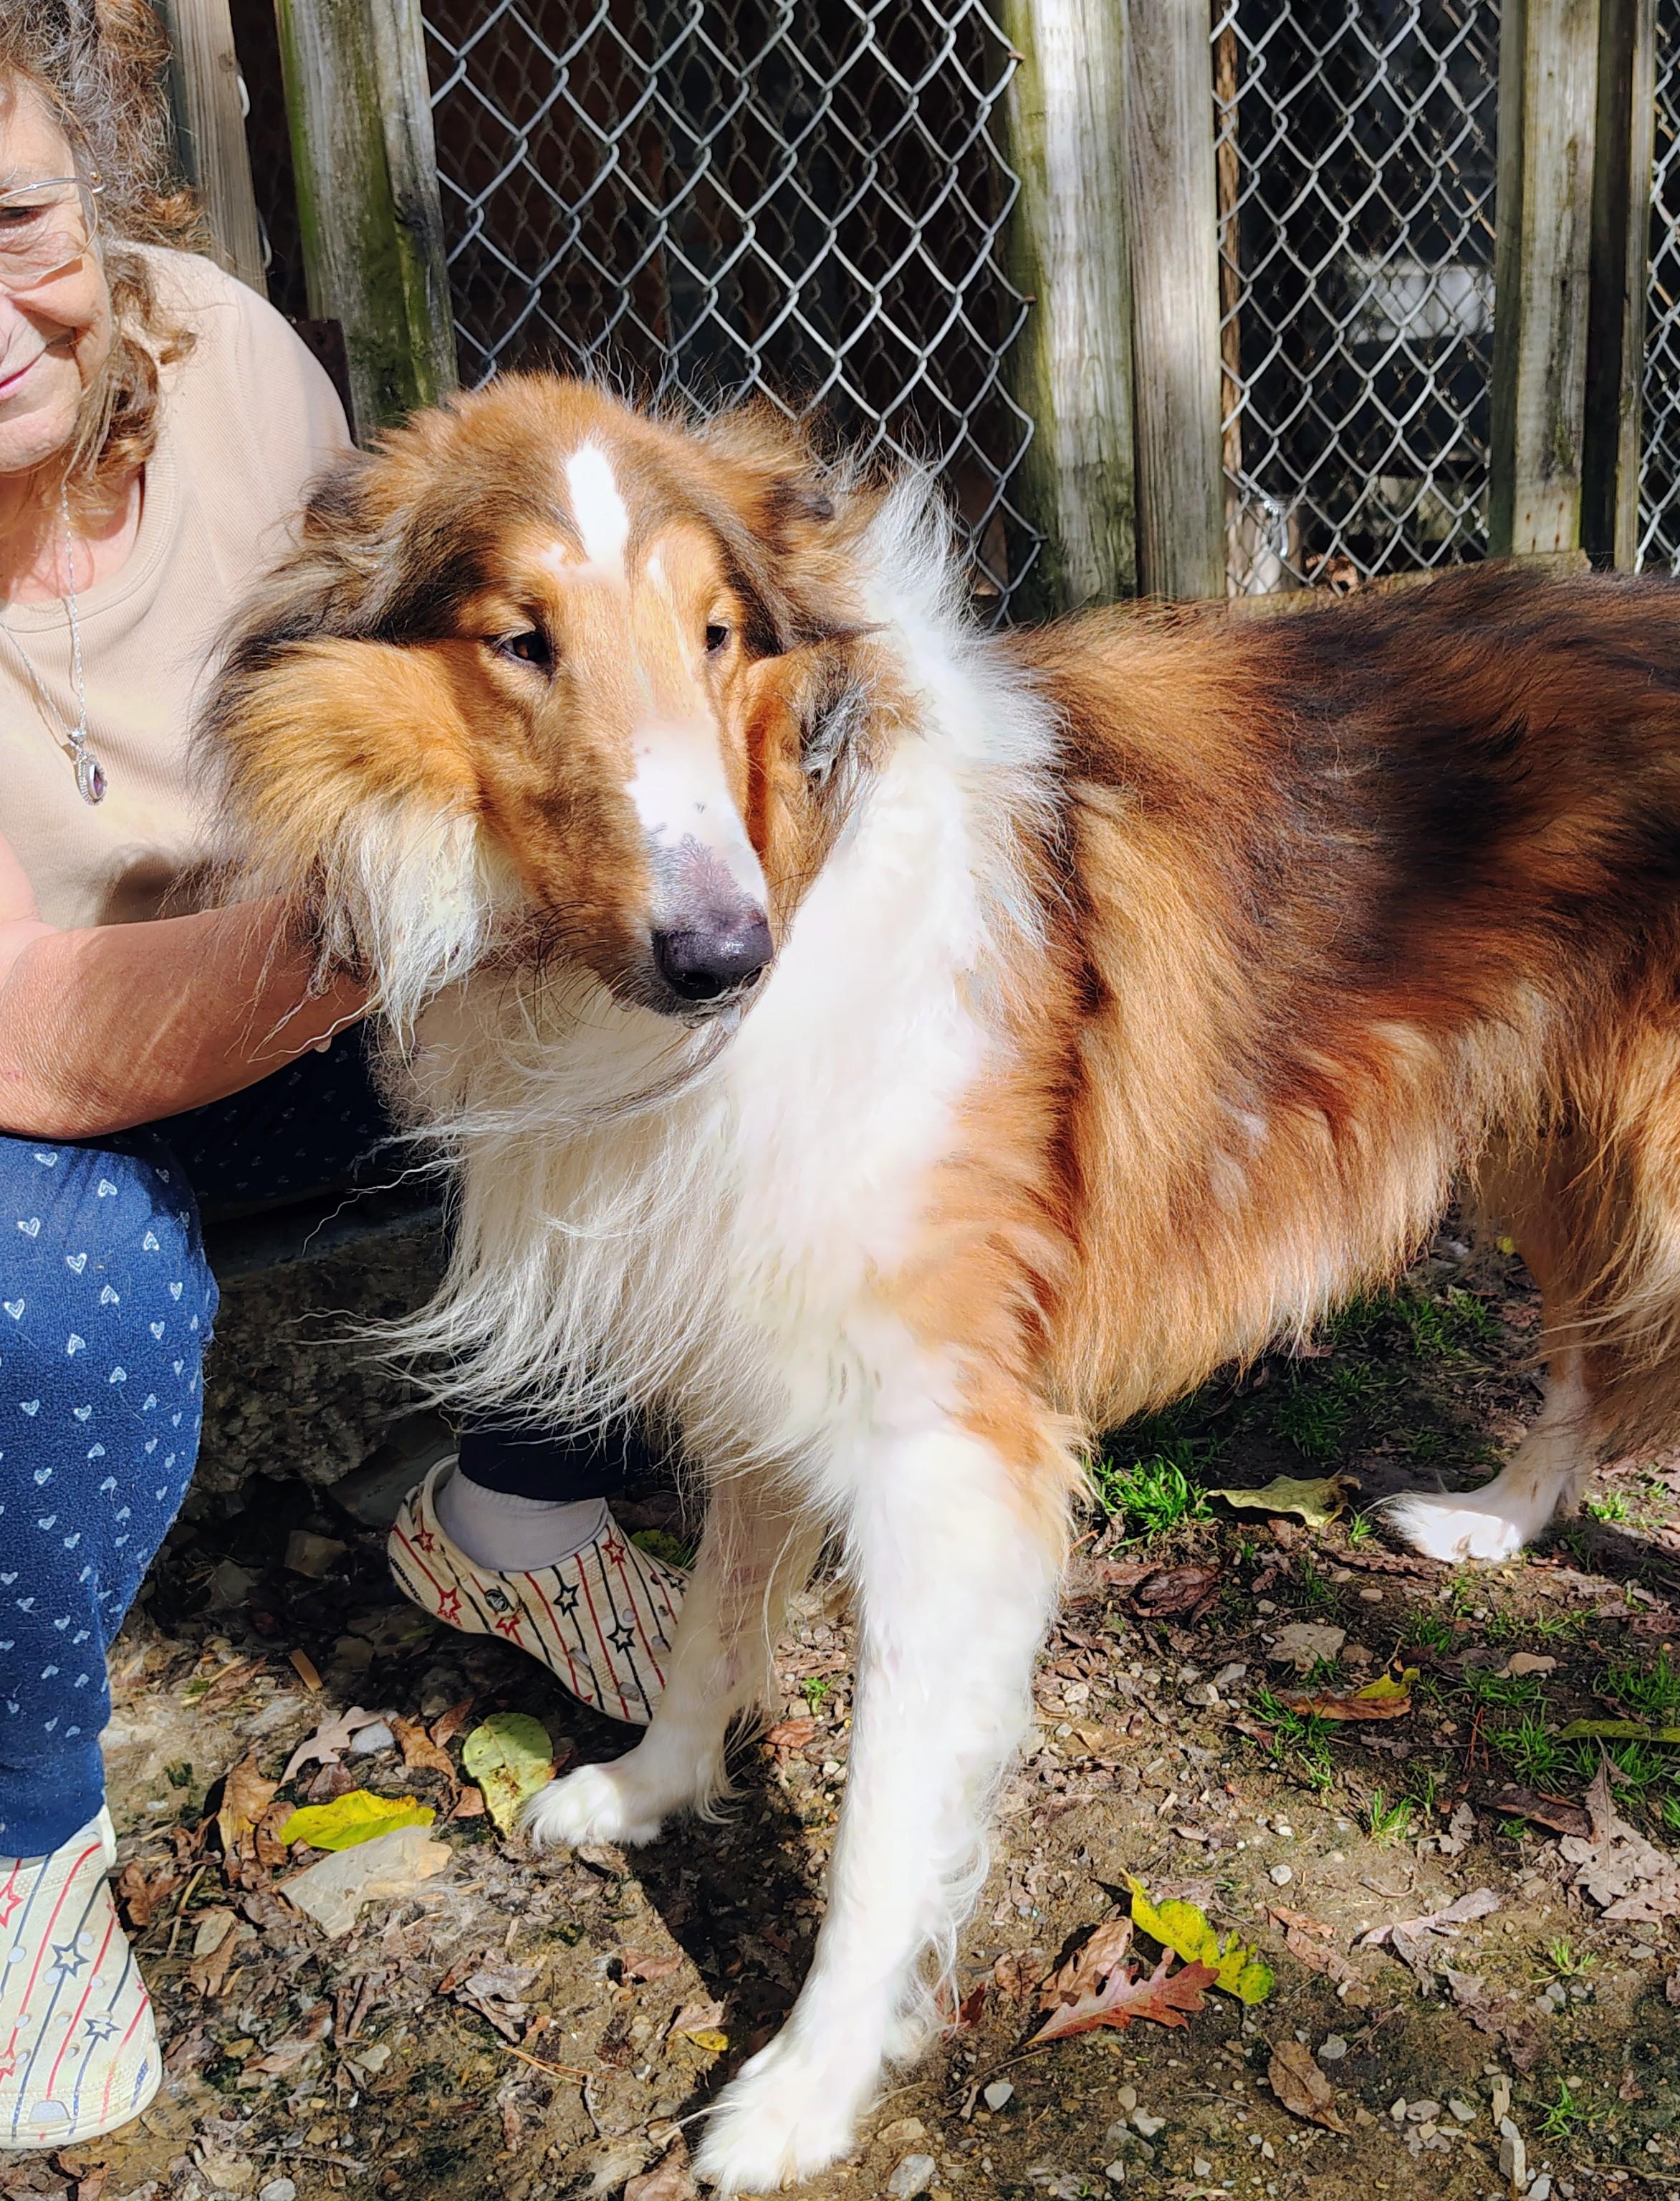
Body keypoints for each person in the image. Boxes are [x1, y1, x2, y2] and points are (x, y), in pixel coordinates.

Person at [0, 3, 682, 2147]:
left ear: (91, 200)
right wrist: (402, 910)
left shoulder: (217, 353)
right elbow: (40, 1043)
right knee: (56, 1296)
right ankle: (23, 1838)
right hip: (40, 1079)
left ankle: (519, 1512)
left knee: (642, 1021)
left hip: (291, 986)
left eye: (10, 217)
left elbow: (395, 680)